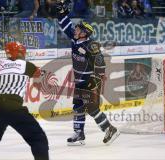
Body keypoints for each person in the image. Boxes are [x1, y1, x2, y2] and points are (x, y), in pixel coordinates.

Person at [56, 0, 120, 146]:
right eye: (76, 29)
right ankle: (79, 134)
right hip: (80, 82)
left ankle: (110, 129)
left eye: (78, 29)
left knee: (91, 107)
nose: (75, 30)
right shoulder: (75, 38)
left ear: (85, 33)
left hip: (90, 81)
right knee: (78, 106)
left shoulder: (92, 45)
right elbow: (65, 25)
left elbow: (101, 63)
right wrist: (61, 13)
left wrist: (98, 78)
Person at [0, 42, 49, 160]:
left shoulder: (0, 65)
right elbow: (38, 74)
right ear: (20, 53)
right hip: (11, 105)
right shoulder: (26, 65)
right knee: (38, 138)